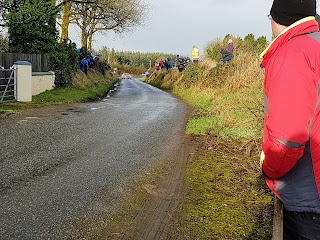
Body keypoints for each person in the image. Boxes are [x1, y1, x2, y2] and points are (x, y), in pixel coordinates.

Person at [259, 0, 320, 239]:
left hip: (308, 200)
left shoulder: (292, 55)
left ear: (276, 19)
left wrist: (269, 168)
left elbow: (287, 140)